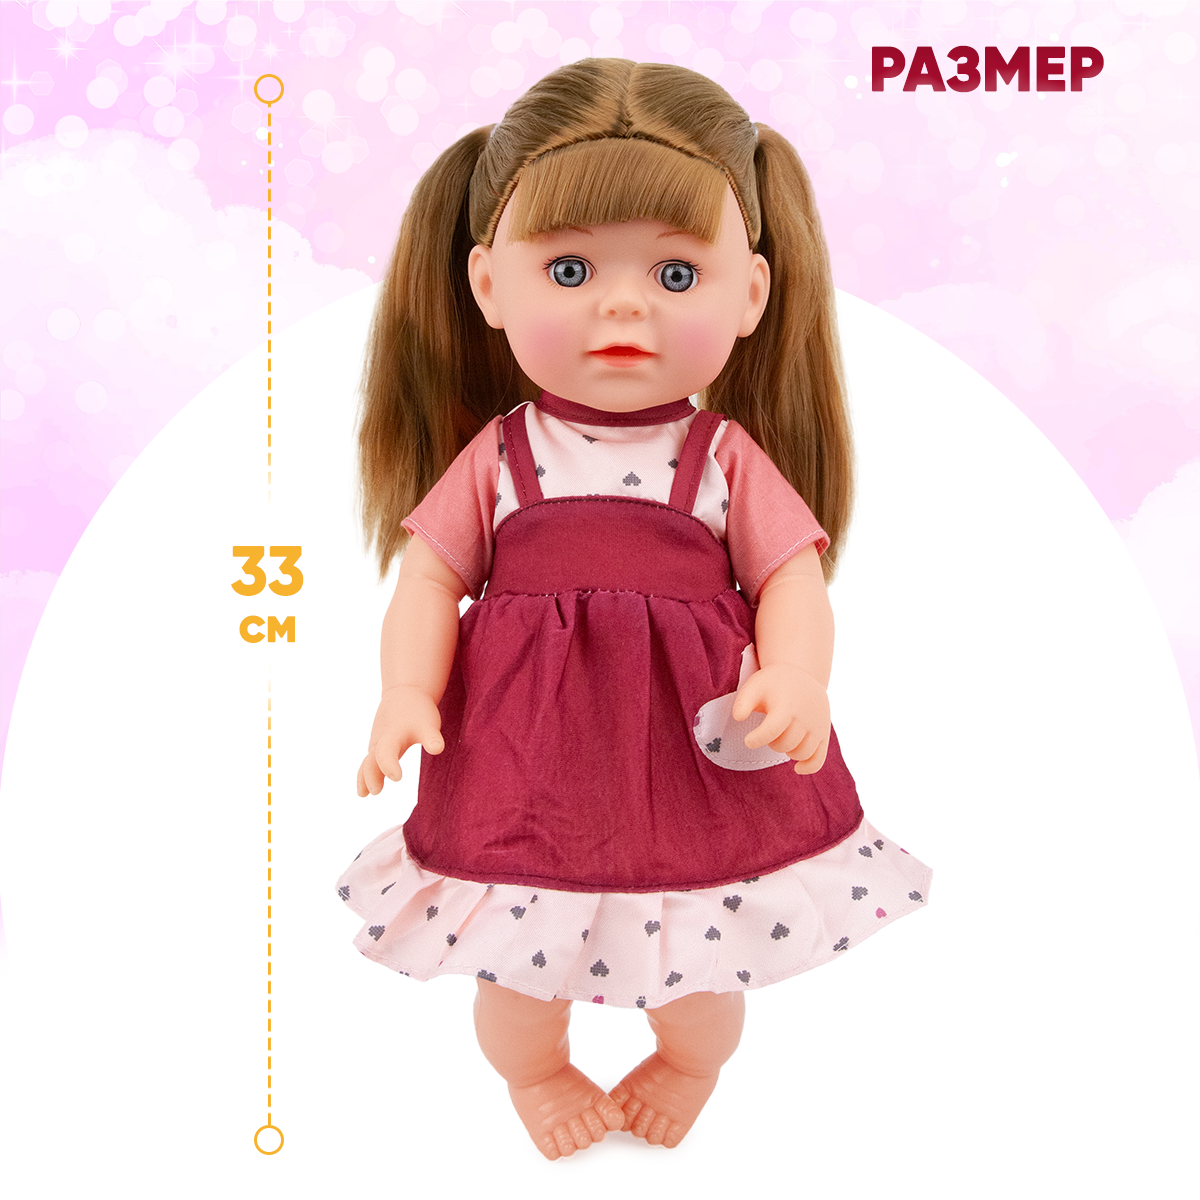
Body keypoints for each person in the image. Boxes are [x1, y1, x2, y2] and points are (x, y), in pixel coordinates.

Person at [339, 58, 930, 1160]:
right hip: (524, 759)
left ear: (750, 294)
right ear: (487, 286)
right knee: (516, 973)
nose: (621, 304)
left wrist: (795, 676)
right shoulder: (499, 458)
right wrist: (406, 690)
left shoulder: (722, 457)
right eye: (568, 269)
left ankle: (687, 1063)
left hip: (696, 757)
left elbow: (790, 577)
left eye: (675, 272)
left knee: (705, 964)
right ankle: (540, 1075)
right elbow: (428, 578)